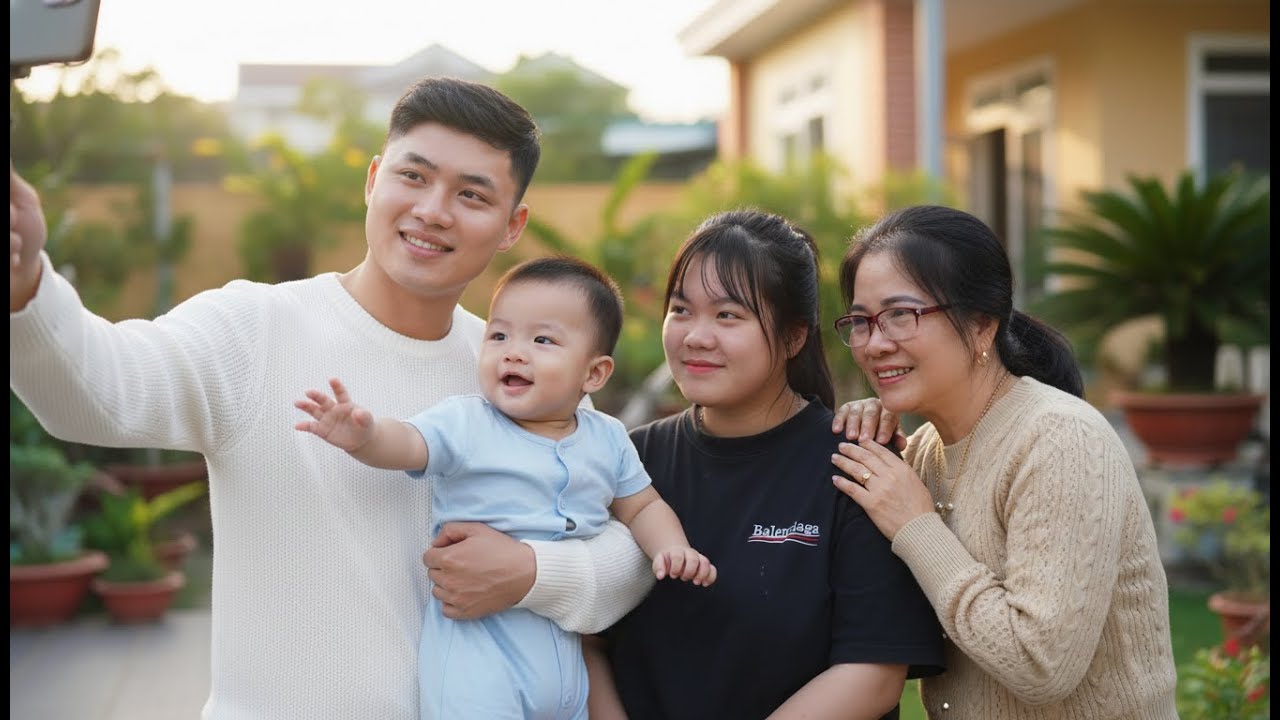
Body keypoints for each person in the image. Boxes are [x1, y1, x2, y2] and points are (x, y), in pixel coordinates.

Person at [9, 77, 653, 719]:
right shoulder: (256, 328)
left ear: (512, 226)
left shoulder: (525, 373)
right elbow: (98, 393)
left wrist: (531, 573)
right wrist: (25, 283)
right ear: (373, 180)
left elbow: (631, 552)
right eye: (414, 176)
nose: (433, 210)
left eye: (472, 195)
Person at [294, 256, 714, 719]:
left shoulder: (608, 437)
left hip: (563, 663)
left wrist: (672, 547)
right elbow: (410, 443)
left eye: (542, 340)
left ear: (594, 374)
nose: (514, 352)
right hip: (480, 658)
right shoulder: (468, 421)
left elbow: (642, 506)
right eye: (498, 336)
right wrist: (366, 436)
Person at [586, 209, 945, 720]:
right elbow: (586, 634)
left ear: (794, 336)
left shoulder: (855, 461)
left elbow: (874, 673)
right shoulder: (627, 462)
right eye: (681, 309)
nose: (696, 336)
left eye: (728, 315)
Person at [827, 205, 1178, 719]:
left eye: (901, 314)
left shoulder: (1060, 438)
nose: (875, 343)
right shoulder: (921, 453)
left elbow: (1042, 665)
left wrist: (916, 527)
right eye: (861, 321)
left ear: (982, 325)